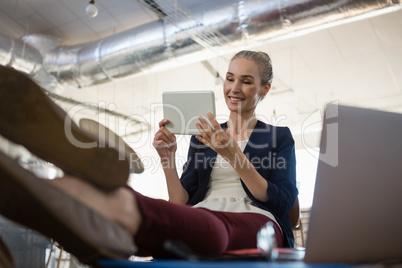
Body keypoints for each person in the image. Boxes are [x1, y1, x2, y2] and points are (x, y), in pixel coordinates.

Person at [0, 50, 297, 265]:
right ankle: (72, 194)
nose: (234, 88)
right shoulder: (204, 135)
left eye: (246, 81)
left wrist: (233, 155)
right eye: (230, 78)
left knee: (215, 232)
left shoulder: (278, 136)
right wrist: (167, 159)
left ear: (264, 89)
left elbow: (282, 202)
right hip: (202, 211)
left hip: (260, 223)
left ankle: (98, 210)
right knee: (181, 219)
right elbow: (181, 201)